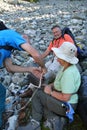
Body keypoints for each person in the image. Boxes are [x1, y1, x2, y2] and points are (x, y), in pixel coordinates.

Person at [17, 42, 81, 130]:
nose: (57, 59)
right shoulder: (66, 67)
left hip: (66, 107)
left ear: (65, 59)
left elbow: (66, 97)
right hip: (64, 103)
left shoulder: (69, 74)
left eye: (59, 57)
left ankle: (35, 123)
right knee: (42, 91)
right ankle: (55, 120)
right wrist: (48, 85)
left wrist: (50, 92)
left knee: (38, 94)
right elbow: (58, 83)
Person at [0, 21, 45, 129]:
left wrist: (29, 69)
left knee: (2, 91)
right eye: (28, 43)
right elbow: (35, 54)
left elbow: (10, 68)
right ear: (24, 37)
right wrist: (44, 68)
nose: (26, 48)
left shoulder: (7, 46)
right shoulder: (12, 35)